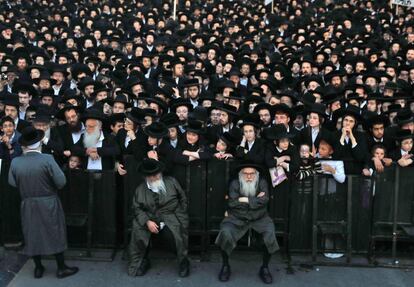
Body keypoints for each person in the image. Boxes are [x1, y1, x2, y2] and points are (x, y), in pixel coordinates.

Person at [8, 126, 78, 279]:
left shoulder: (16, 162)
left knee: (32, 233)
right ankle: (61, 267)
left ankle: (38, 268)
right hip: (48, 201)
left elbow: (12, 183)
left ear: (24, 145)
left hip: (28, 202)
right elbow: (61, 182)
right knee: (55, 232)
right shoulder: (47, 159)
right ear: (39, 142)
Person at [215, 161, 279, 284]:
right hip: (237, 218)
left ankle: (265, 268)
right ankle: (225, 266)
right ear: (240, 175)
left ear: (256, 174)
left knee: (269, 234)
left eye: (252, 174)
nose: (249, 177)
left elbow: (264, 200)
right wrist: (254, 201)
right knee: (225, 232)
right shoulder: (235, 183)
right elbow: (232, 203)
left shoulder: (262, 182)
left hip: (260, 218)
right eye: (245, 174)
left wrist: (244, 199)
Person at [128, 159, 190, 278]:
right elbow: (136, 208)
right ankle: (143, 261)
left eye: (157, 174)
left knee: (177, 236)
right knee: (138, 232)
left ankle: (183, 261)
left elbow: (183, 199)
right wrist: (147, 221)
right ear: (146, 177)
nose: (156, 178)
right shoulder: (140, 189)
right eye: (152, 176)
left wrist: (181, 215)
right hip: (149, 217)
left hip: (171, 215)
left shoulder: (171, 182)